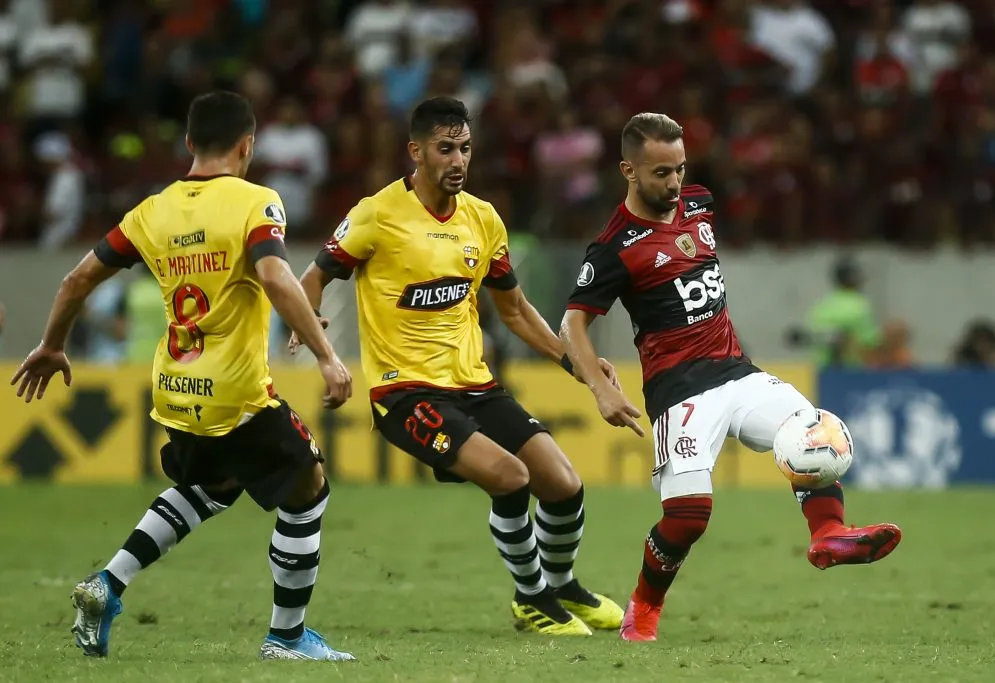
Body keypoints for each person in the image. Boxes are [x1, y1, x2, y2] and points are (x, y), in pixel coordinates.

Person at [9, 91, 355, 662]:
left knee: (211, 488)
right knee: (309, 488)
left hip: (176, 388)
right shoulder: (256, 201)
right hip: (237, 392)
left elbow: (75, 281)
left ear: (190, 144)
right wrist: (326, 354)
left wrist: (51, 345)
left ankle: (107, 585)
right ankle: (287, 639)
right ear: (248, 145)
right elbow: (272, 273)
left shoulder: (152, 211)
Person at [559, 112, 903, 643]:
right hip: (680, 390)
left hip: (737, 372)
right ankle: (642, 611)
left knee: (813, 431)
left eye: (679, 169)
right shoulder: (615, 247)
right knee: (688, 518)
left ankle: (828, 534)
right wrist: (601, 388)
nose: (674, 183)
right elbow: (572, 322)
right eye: (660, 173)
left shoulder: (699, 203)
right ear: (628, 170)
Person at [292, 97, 624, 636]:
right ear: (416, 151)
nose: (458, 161)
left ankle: (561, 585)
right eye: (445, 149)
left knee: (563, 484)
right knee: (510, 478)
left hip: (476, 386)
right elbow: (313, 277)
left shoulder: (483, 218)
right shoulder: (376, 214)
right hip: (406, 395)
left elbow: (513, 311)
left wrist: (578, 365)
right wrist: (314, 337)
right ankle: (532, 598)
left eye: (465, 149)